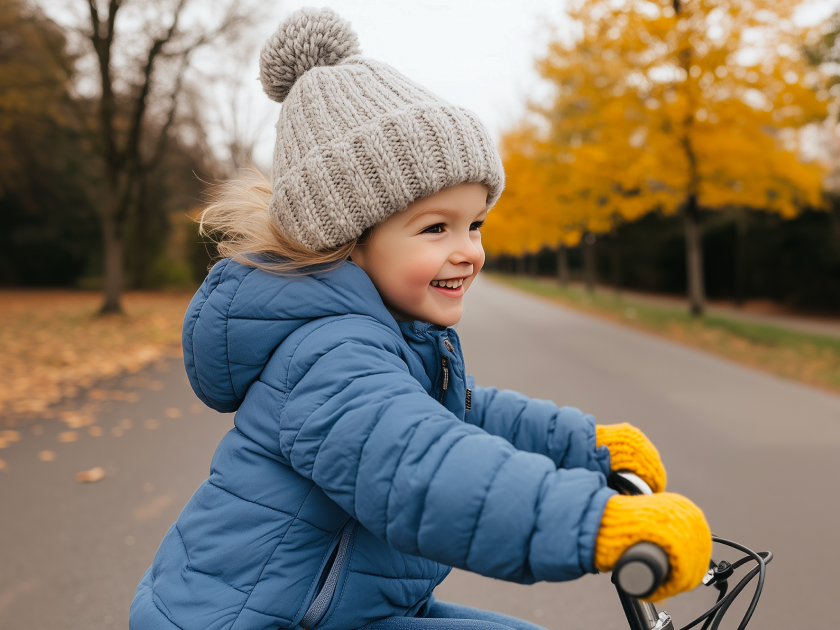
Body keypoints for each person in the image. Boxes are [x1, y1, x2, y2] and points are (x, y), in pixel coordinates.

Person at [129, 8, 711, 630]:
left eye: (475, 223)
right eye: (436, 228)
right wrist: (598, 525)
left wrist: (586, 445)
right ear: (348, 240)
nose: (470, 250)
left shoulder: (390, 338)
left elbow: (460, 411)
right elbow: (424, 468)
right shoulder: (326, 355)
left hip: (351, 611)